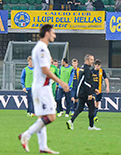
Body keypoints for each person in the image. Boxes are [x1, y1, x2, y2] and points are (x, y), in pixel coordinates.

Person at [19, 24, 70, 154]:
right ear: (47, 33)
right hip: (42, 88)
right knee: (51, 116)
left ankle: (43, 147)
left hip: (40, 86)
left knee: (42, 118)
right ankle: (26, 134)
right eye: (53, 33)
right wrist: (61, 82)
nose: (55, 35)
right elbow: (45, 69)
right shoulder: (41, 48)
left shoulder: (41, 48)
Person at [67, 54, 99, 131]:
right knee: (92, 108)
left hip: (81, 92)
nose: (92, 61)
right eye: (91, 60)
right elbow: (87, 82)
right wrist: (90, 93)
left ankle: (71, 121)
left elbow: (83, 81)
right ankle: (91, 126)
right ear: (86, 60)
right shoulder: (87, 69)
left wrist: (94, 89)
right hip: (86, 93)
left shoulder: (82, 68)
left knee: (80, 108)